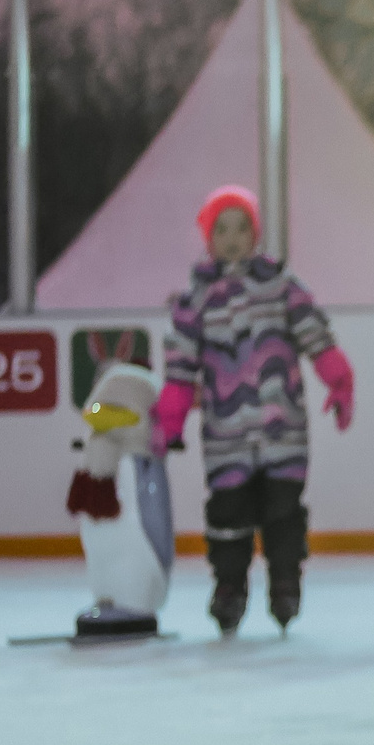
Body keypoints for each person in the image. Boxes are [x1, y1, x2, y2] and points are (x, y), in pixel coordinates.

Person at [152, 185, 354, 635]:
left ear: (256, 234)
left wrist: (338, 380)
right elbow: (180, 369)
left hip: (282, 429)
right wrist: (169, 421)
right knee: (228, 516)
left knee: (283, 514)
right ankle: (229, 588)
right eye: (220, 229)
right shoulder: (195, 303)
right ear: (207, 239)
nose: (232, 238)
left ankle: (285, 584)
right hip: (227, 437)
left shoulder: (281, 288)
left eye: (242, 228)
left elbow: (315, 336)